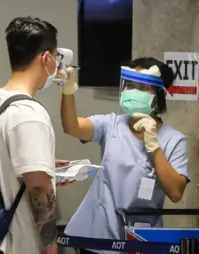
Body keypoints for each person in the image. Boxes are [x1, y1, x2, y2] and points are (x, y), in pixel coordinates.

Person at [57, 57, 190, 254]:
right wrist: (68, 91)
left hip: (141, 239)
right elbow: (72, 127)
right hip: (97, 234)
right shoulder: (111, 124)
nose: (134, 92)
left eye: (143, 88)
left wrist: (153, 144)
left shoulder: (173, 140)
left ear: (159, 95)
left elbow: (176, 193)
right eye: (130, 86)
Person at [0, 16, 66, 254]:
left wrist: (46, 166)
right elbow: (40, 190)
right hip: (21, 246)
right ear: (46, 59)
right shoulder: (30, 114)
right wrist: (51, 248)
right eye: (57, 57)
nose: (58, 64)